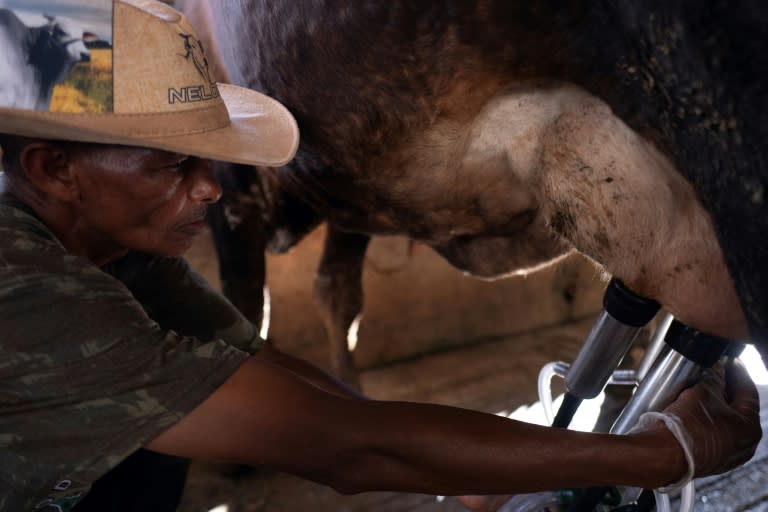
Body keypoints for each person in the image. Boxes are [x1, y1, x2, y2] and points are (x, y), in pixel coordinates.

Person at [0, 1, 761, 511]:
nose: (210, 191)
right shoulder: (22, 292)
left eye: (207, 160)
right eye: (172, 164)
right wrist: (661, 455)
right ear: (51, 170)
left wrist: (480, 470)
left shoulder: (115, 249)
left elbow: (286, 385)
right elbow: (346, 450)